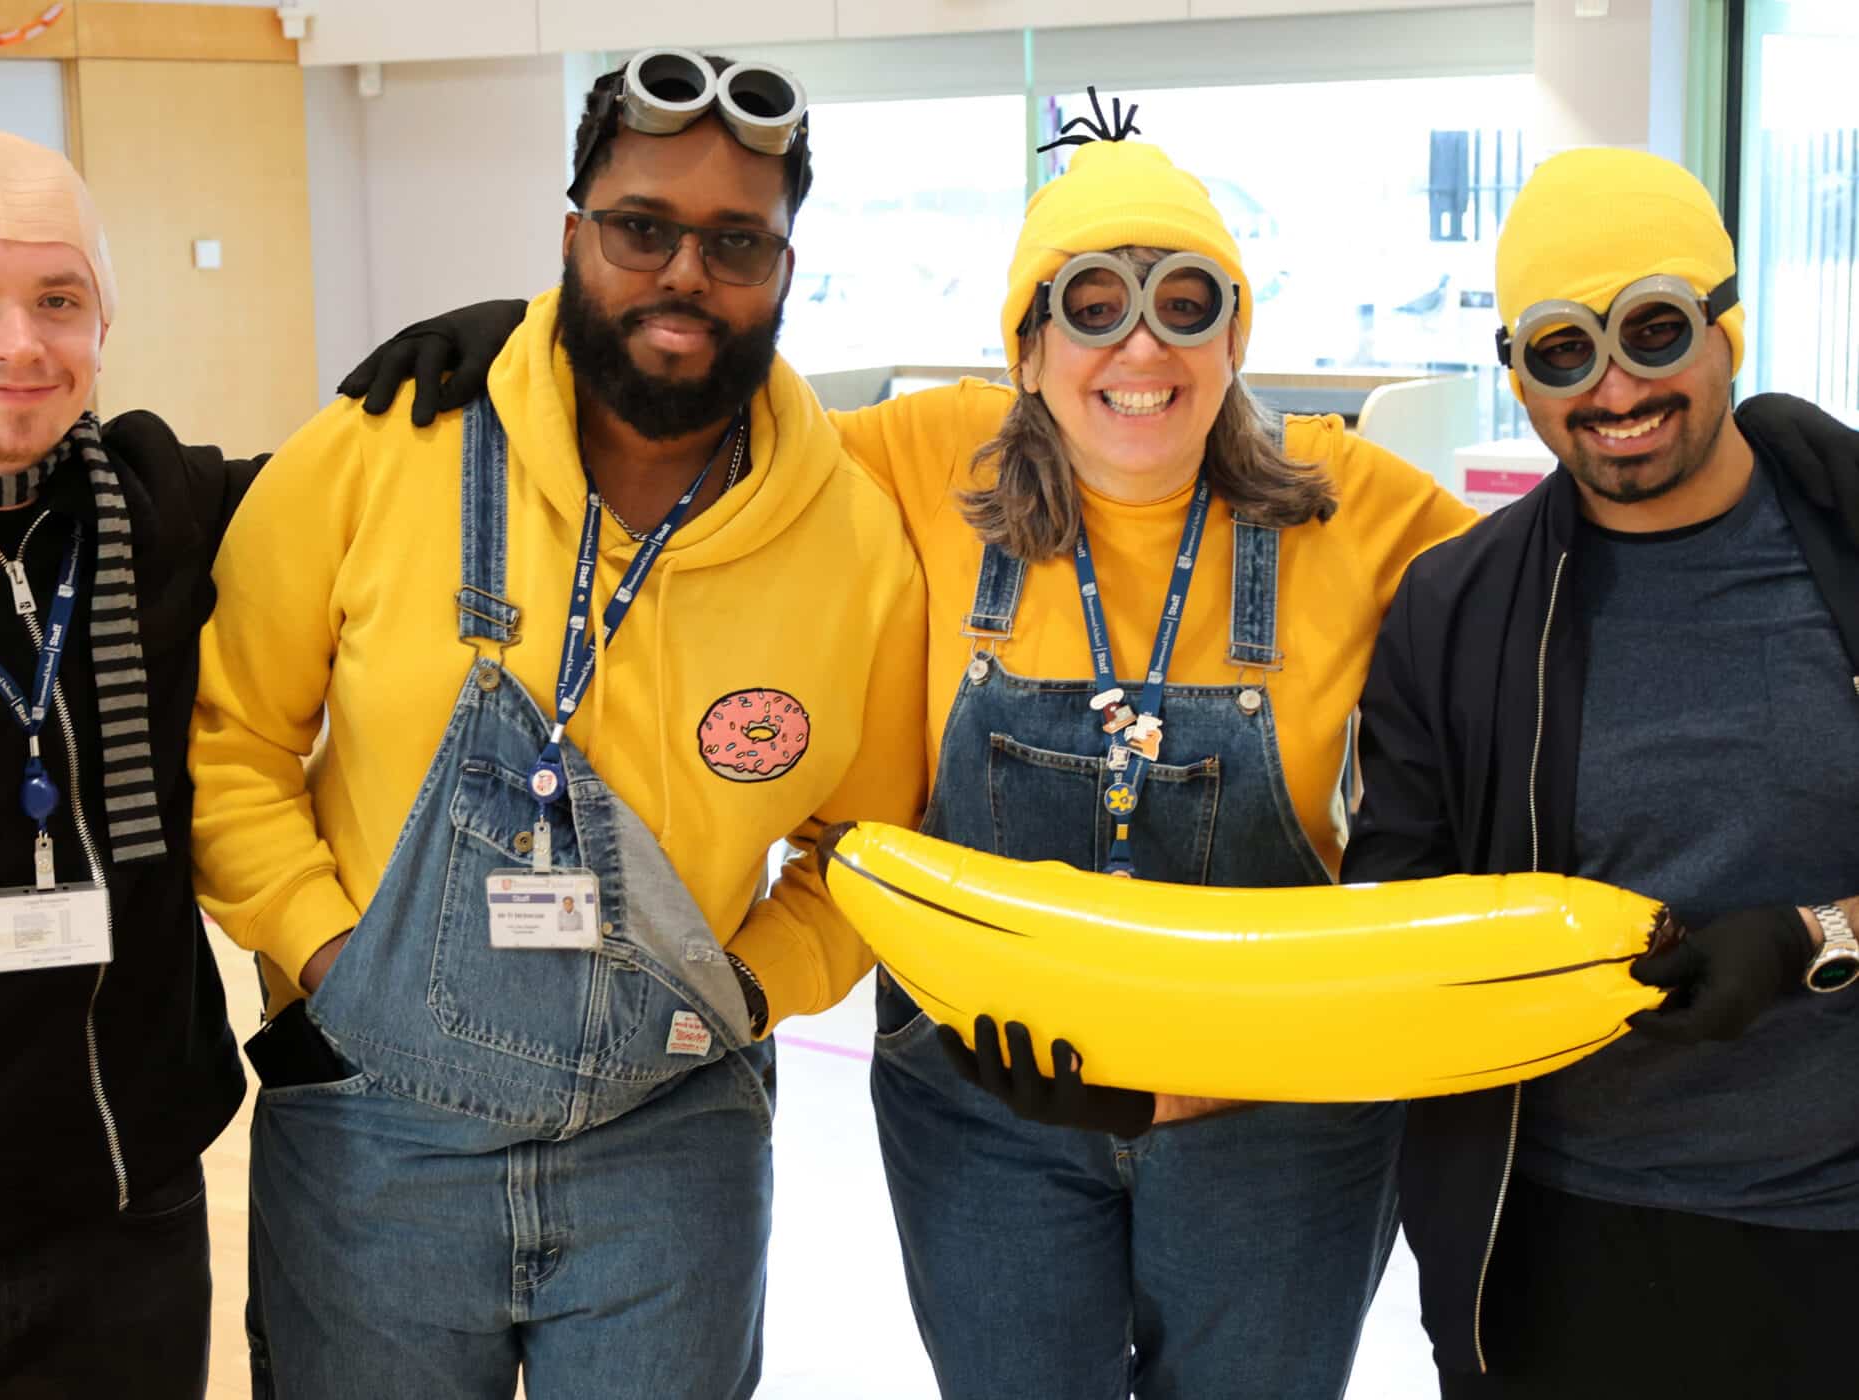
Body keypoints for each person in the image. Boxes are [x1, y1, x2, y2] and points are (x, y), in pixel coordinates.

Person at [364, 102, 1477, 1398]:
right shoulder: (918, 459)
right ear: (1026, 346)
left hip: (1272, 1122)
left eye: (1187, 303)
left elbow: (1557, 585)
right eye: (1093, 304)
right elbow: (683, 420)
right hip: (987, 1108)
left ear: (1236, 335)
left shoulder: (1353, 501)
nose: (1141, 345)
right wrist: (536, 346)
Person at [187, 50, 927, 1400]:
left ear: (786, 268)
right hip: (375, 1133)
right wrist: (328, 954)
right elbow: (229, 742)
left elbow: (870, 854)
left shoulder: (855, 543)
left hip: (673, 1146)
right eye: (642, 227)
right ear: (573, 232)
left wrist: (748, 989)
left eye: (736, 242)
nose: (684, 275)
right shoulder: (379, 447)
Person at [0, 128, 453, 1399]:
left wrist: (494, 342)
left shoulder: (164, 513)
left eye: (59, 300)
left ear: (104, 323)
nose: (19, 343)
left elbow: (380, 494)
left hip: (129, 1224)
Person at [1345, 147, 1859, 1399]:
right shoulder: (1456, 611)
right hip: (1554, 1240)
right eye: (1565, 350)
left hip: (1834, 1228)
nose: (1616, 387)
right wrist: (1156, 1076)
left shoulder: (1847, 548)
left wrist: (1817, 934)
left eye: (1655, 328)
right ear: (1519, 372)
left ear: (1728, 326)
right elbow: (1388, 935)